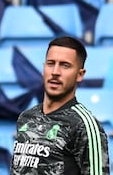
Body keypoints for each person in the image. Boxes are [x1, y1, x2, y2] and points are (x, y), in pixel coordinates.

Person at [10, 36, 110, 174]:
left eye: (65, 65)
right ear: (43, 68)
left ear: (80, 75)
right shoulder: (26, 118)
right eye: (51, 63)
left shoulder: (84, 126)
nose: (55, 72)